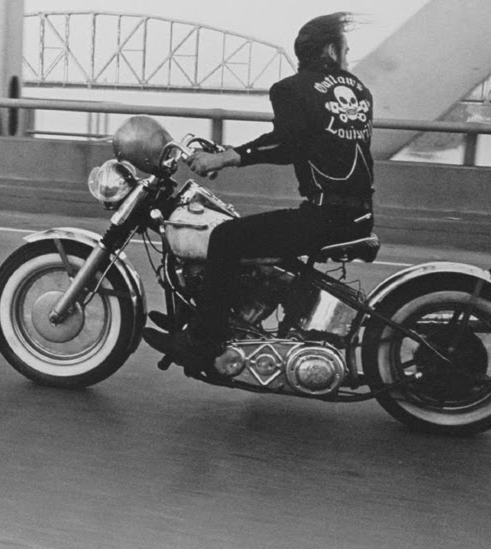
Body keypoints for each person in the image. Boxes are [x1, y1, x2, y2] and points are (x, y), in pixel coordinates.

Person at [143, 12, 375, 366]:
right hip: (357, 212)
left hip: (325, 216)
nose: (347, 57)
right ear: (330, 49)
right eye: (345, 49)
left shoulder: (293, 89)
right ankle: (204, 317)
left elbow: (287, 144)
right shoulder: (359, 91)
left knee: (226, 238)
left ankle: (204, 341)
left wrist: (224, 158)